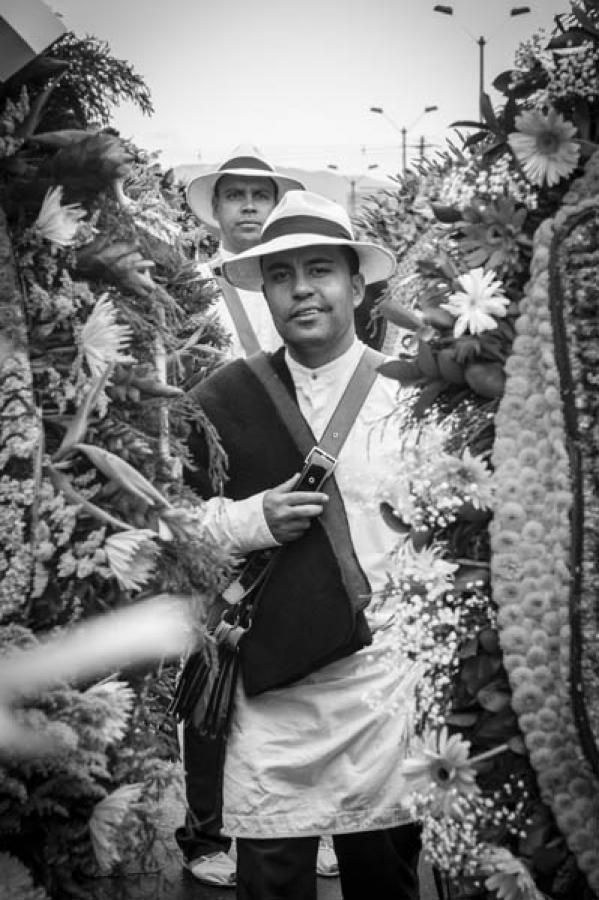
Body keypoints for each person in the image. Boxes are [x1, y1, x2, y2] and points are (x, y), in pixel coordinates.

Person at [184, 190, 421, 900]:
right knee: (271, 877)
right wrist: (254, 517)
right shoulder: (219, 397)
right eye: (281, 276)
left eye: (318, 270)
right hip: (271, 689)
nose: (300, 290)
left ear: (355, 283)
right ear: (266, 293)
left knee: (384, 879)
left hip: (382, 686)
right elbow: (176, 526)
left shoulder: (410, 393)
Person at [178, 151, 339, 886]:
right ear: (213, 211)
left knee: (320, 651)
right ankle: (207, 833)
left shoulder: (310, 285)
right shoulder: (193, 293)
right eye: (233, 197)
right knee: (216, 665)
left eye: (258, 196)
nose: (245, 208)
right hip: (222, 459)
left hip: (301, 468)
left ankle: (325, 816)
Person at [186, 144, 304, 360]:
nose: (249, 206)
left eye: (260, 196)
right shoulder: (193, 285)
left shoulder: (302, 286)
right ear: (215, 206)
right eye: (235, 195)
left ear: (276, 207)